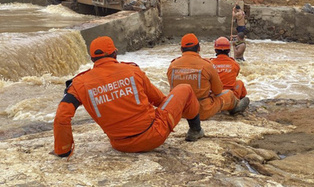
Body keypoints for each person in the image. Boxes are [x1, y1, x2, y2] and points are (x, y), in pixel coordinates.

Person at [52, 36, 204, 158]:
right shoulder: (132, 71)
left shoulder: (79, 83)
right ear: (115, 54)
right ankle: (195, 130)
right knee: (184, 88)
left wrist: (62, 150)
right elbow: (159, 100)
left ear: (92, 59)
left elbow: (62, 116)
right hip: (153, 136)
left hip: (120, 144)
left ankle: (63, 150)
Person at [167, 33, 249, 121]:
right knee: (228, 94)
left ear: (181, 49)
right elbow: (217, 90)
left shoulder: (172, 65)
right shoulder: (207, 65)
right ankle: (235, 106)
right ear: (199, 48)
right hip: (201, 110)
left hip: (180, 109)